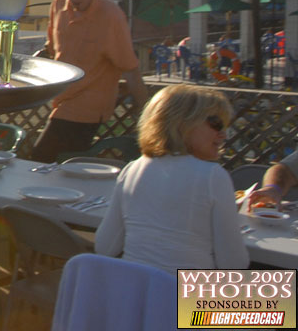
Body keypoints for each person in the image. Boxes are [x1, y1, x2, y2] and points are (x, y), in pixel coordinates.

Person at [95, 85, 248, 271]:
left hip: (135, 294)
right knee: (282, 294)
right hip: (186, 296)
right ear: (182, 124)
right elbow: (234, 264)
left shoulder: (132, 169)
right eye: (216, 124)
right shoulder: (212, 176)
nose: (223, 134)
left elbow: (104, 247)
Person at [32, 0, 148, 163]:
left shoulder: (111, 16)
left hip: (89, 107)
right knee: (65, 166)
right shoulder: (59, 4)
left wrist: (145, 110)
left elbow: (130, 67)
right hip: (61, 100)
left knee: (41, 157)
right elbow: (52, 49)